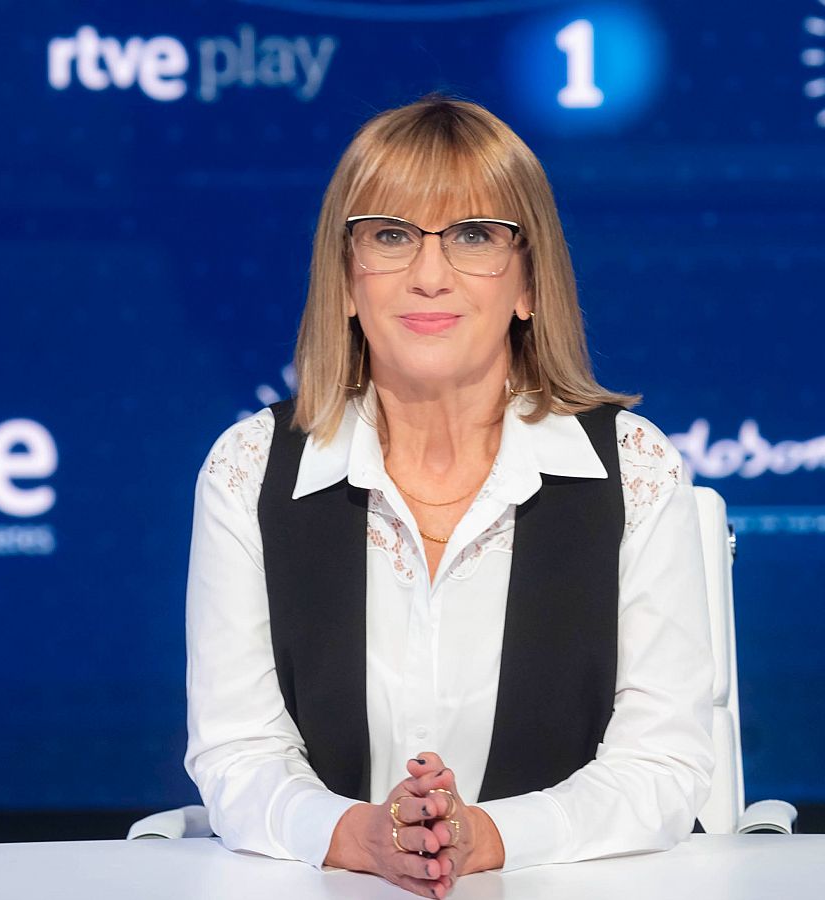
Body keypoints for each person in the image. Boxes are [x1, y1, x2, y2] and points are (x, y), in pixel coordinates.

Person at [183, 96, 716, 898]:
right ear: (346, 281)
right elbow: (237, 753)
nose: (429, 276)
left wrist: (485, 838)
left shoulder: (634, 469)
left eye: (473, 236)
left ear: (529, 281)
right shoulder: (250, 469)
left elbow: (663, 763)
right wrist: (359, 836)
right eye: (391, 236)